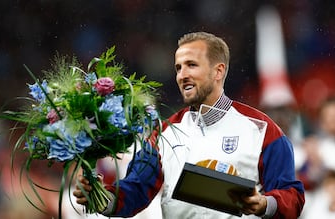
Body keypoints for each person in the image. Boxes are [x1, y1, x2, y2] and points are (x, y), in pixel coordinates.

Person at [73, 32, 305, 218]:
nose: (182, 75)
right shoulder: (163, 134)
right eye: (178, 67)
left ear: (218, 71)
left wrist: (264, 204)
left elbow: (292, 198)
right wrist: (100, 197)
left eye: (191, 65)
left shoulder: (262, 130)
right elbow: (134, 193)